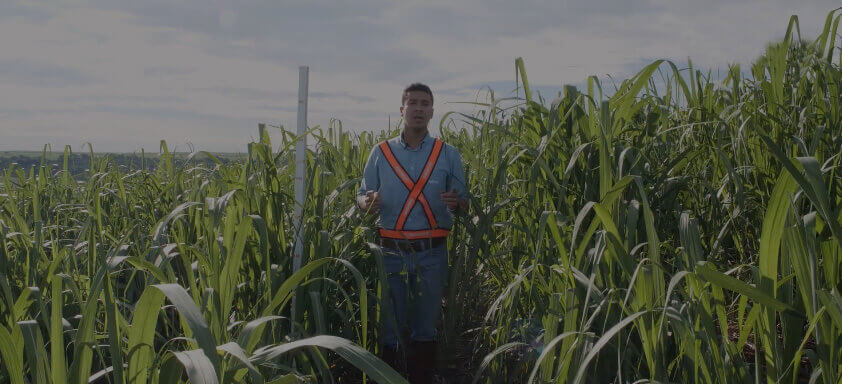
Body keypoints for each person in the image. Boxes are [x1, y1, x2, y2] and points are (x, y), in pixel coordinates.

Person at [356, 83, 468, 383]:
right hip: (390, 252)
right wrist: (366, 202)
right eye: (413, 102)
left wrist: (458, 202)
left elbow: (465, 204)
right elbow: (362, 196)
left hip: (432, 252)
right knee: (389, 326)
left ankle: (422, 377)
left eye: (425, 103)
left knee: (426, 326)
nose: (419, 108)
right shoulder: (380, 153)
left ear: (432, 111)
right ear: (401, 109)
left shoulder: (449, 154)